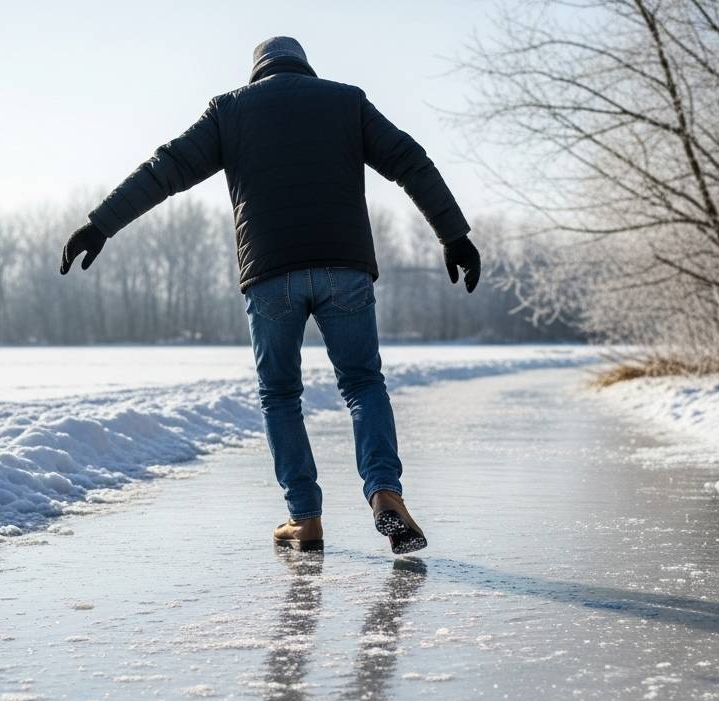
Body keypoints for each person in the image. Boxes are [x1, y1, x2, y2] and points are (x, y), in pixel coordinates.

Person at [61, 36, 481, 554]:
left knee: (281, 395)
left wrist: (100, 224)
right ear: (305, 68)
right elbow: (409, 161)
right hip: (343, 267)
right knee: (362, 383)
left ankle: (304, 518)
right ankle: (384, 492)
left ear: (257, 72)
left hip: (270, 274)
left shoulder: (229, 111)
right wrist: (453, 234)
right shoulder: (346, 102)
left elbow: (164, 169)